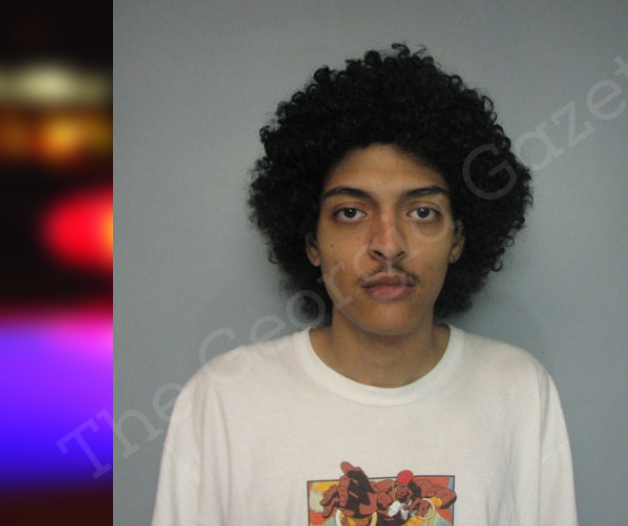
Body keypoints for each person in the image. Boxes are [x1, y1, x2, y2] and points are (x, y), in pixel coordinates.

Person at [152, 44, 578, 525]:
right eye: (351, 212)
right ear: (312, 241)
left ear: (458, 238)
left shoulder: (517, 390)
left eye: (423, 212)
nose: (388, 245)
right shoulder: (224, 402)